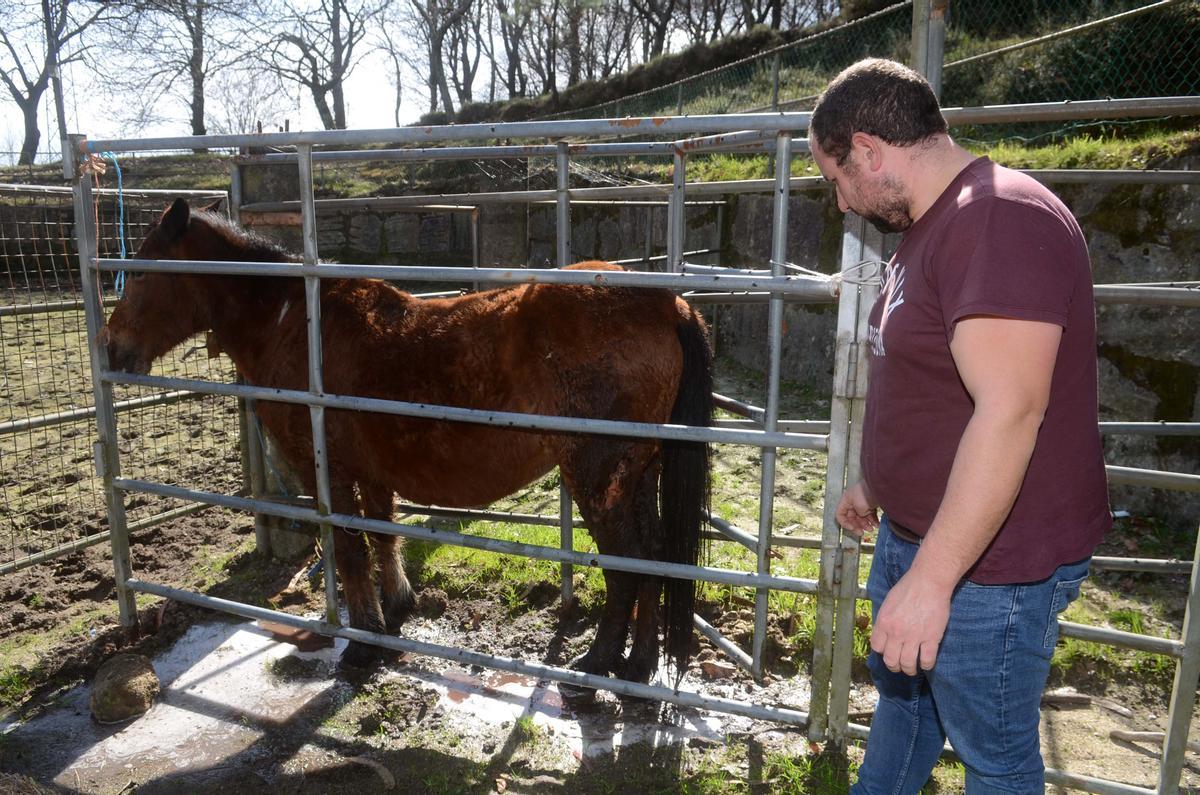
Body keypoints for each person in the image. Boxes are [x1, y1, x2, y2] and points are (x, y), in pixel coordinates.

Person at [811, 58, 1111, 793]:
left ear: (869, 150)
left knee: (994, 756)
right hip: (926, 542)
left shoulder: (998, 218)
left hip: (988, 569)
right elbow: (933, 383)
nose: (843, 201)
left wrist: (933, 578)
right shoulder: (936, 224)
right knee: (906, 711)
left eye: (836, 177)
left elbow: (1010, 410)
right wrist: (880, 481)